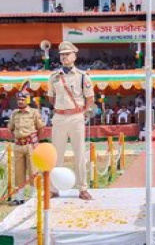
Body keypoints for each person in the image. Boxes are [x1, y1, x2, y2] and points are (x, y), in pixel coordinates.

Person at [48, 42, 94, 200]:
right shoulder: (54, 77)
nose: (64, 57)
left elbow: (89, 98)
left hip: (76, 117)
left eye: (67, 54)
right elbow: (51, 97)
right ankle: (53, 189)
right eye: (62, 54)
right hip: (59, 117)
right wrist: (61, 109)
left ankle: (82, 188)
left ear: (74, 56)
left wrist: (82, 112)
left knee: (79, 153)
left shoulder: (82, 76)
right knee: (56, 154)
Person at [8, 81, 45, 205]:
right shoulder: (14, 113)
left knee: (33, 170)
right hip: (18, 145)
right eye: (19, 100)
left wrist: (35, 142)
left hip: (30, 145)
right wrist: (17, 139)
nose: (20, 102)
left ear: (28, 100)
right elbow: (11, 129)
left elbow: (40, 128)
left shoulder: (34, 112)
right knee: (19, 172)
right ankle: (19, 197)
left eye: (23, 100)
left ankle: (34, 197)